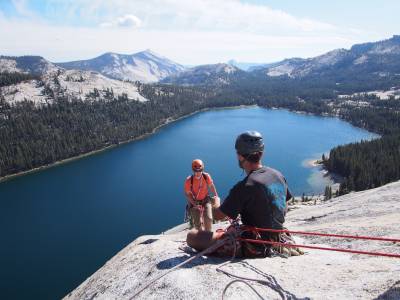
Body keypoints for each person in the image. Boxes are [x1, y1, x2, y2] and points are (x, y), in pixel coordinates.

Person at [187, 131, 302, 257]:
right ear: (261, 153)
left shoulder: (245, 186)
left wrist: (216, 201)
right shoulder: (277, 175)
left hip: (254, 243)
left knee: (191, 236)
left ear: (240, 156)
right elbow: (284, 202)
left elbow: (218, 215)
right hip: (279, 235)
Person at [184, 159, 219, 232]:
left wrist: (216, 195)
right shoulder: (189, 180)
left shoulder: (206, 176)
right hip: (195, 202)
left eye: (200, 171)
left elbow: (211, 185)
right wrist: (194, 204)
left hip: (205, 199)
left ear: (202, 169)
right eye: (196, 171)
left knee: (209, 218)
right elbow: (188, 194)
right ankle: (200, 235)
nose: (198, 173)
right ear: (193, 170)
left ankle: (208, 234)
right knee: (197, 223)